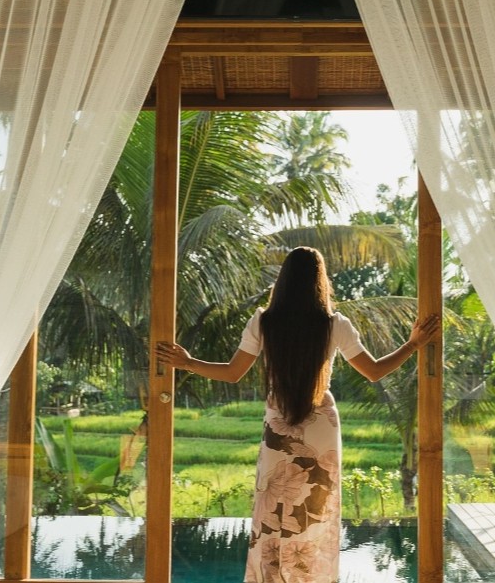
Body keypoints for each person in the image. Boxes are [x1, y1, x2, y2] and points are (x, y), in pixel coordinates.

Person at [156, 246, 440, 583]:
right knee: (315, 509)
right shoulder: (334, 324)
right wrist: (413, 343)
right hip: (321, 423)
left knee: (274, 504)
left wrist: (187, 363)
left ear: (283, 279)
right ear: (320, 281)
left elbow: (233, 373)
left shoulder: (263, 320)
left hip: (279, 423)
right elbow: (374, 371)